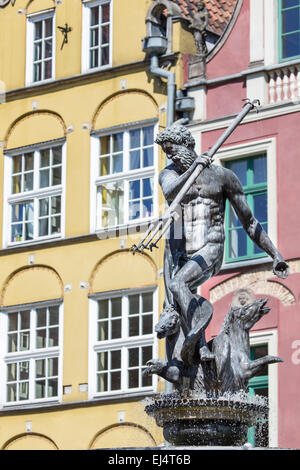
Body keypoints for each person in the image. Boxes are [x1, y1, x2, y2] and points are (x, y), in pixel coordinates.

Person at [155, 123, 289, 365]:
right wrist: (193, 169)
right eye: (167, 152)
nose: (170, 156)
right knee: (181, 291)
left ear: (186, 144)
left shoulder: (222, 177)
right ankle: (200, 348)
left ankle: (197, 341)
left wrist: (275, 254)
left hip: (211, 248)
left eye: (172, 149)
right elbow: (172, 192)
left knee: (178, 284)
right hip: (183, 251)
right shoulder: (169, 174)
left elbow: (248, 221)